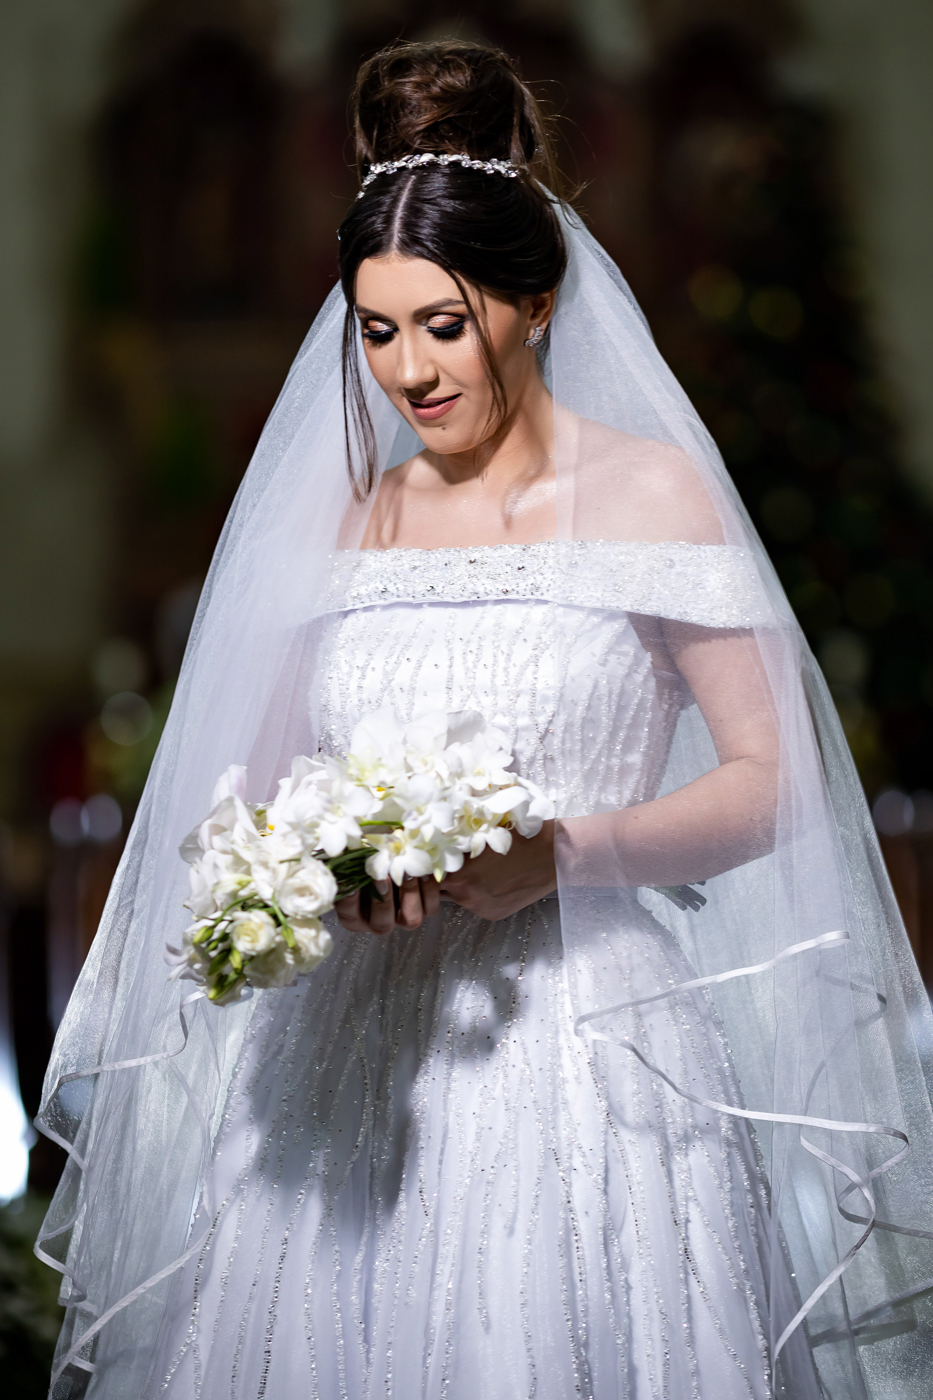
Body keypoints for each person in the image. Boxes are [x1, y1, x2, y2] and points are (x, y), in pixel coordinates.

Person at [37, 41, 933, 1400]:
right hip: (346, 1059)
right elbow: (250, 797)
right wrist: (316, 875)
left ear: (537, 303)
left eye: (443, 325)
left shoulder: (653, 497)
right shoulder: (347, 516)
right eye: (376, 330)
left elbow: (768, 779)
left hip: (588, 1050)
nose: (407, 371)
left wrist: (560, 855)